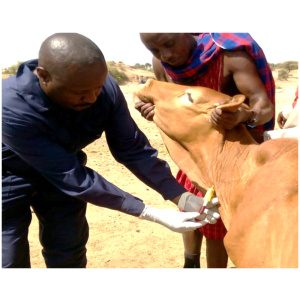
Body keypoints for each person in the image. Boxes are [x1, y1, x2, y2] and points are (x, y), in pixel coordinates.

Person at [2, 33, 221, 268]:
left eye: (97, 88)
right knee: (9, 257)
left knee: (68, 254)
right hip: (9, 178)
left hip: (64, 176)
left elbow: (132, 149)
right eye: (80, 93)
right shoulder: (11, 106)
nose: (93, 97)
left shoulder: (102, 89)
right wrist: (148, 212)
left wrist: (181, 196)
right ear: (43, 76)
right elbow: (71, 176)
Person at [135, 33, 275, 268]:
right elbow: (169, 103)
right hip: (193, 151)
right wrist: (152, 110)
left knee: (218, 221)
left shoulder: (228, 55)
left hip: (231, 155)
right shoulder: (162, 64)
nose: (165, 55)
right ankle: (190, 264)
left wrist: (244, 115)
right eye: (155, 50)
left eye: (169, 44)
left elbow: (263, 103)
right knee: (191, 207)